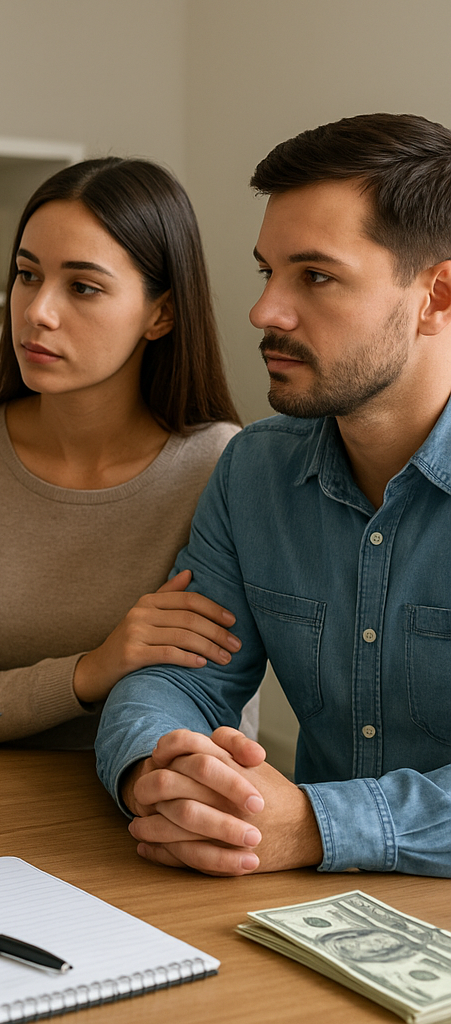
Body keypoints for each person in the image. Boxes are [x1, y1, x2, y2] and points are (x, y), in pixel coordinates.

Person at [96, 112, 451, 877]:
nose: (264, 312)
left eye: (315, 276)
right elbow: (177, 674)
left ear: (437, 294)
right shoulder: (254, 469)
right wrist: (158, 776)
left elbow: (302, 825)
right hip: (306, 913)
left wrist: (319, 826)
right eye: (268, 271)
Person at [0, 157, 250, 747]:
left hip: (145, 799)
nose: (37, 312)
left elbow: (217, 701)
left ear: (162, 312)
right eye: (27, 275)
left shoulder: (222, 465)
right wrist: (88, 671)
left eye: (82, 287)